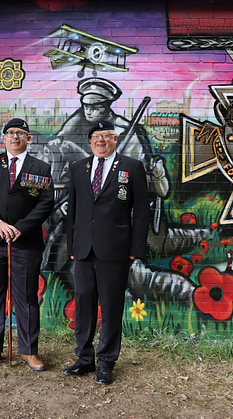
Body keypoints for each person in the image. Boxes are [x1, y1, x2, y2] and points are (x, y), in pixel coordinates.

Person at [64, 119, 149, 384]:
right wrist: (71, 245)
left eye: (107, 136)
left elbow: (143, 211)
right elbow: (74, 210)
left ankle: (106, 362)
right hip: (83, 249)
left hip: (115, 250)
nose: (101, 141)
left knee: (111, 307)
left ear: (115, 139)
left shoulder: (132, 167)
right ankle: (84, 359)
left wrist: (136, 248)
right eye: (96, 137)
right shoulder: (79, 168)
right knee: (84, 306)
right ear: (90, 142)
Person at [0, 118, 54, 370]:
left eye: (20, 133)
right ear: (3, 138)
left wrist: (21, 227)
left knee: (26, 297)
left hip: (24, 242)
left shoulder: (39, 168)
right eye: (10, 133)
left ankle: (29, 351)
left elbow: (45, 203)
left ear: (28, 138)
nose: (15, 137)